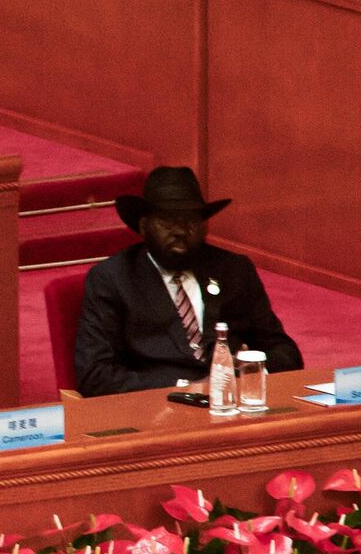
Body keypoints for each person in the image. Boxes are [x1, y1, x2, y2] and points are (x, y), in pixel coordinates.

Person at [75, 166, 302, 397]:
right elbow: (95, 375)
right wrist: (187, 386)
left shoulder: (234, 270)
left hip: (234, 406)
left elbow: (285, 352)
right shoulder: (114, 279)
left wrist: (250, 369)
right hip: (158, 411)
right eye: (167, 220)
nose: (180, 231)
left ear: (205, 227)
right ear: (144, 226)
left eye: (191, 220)